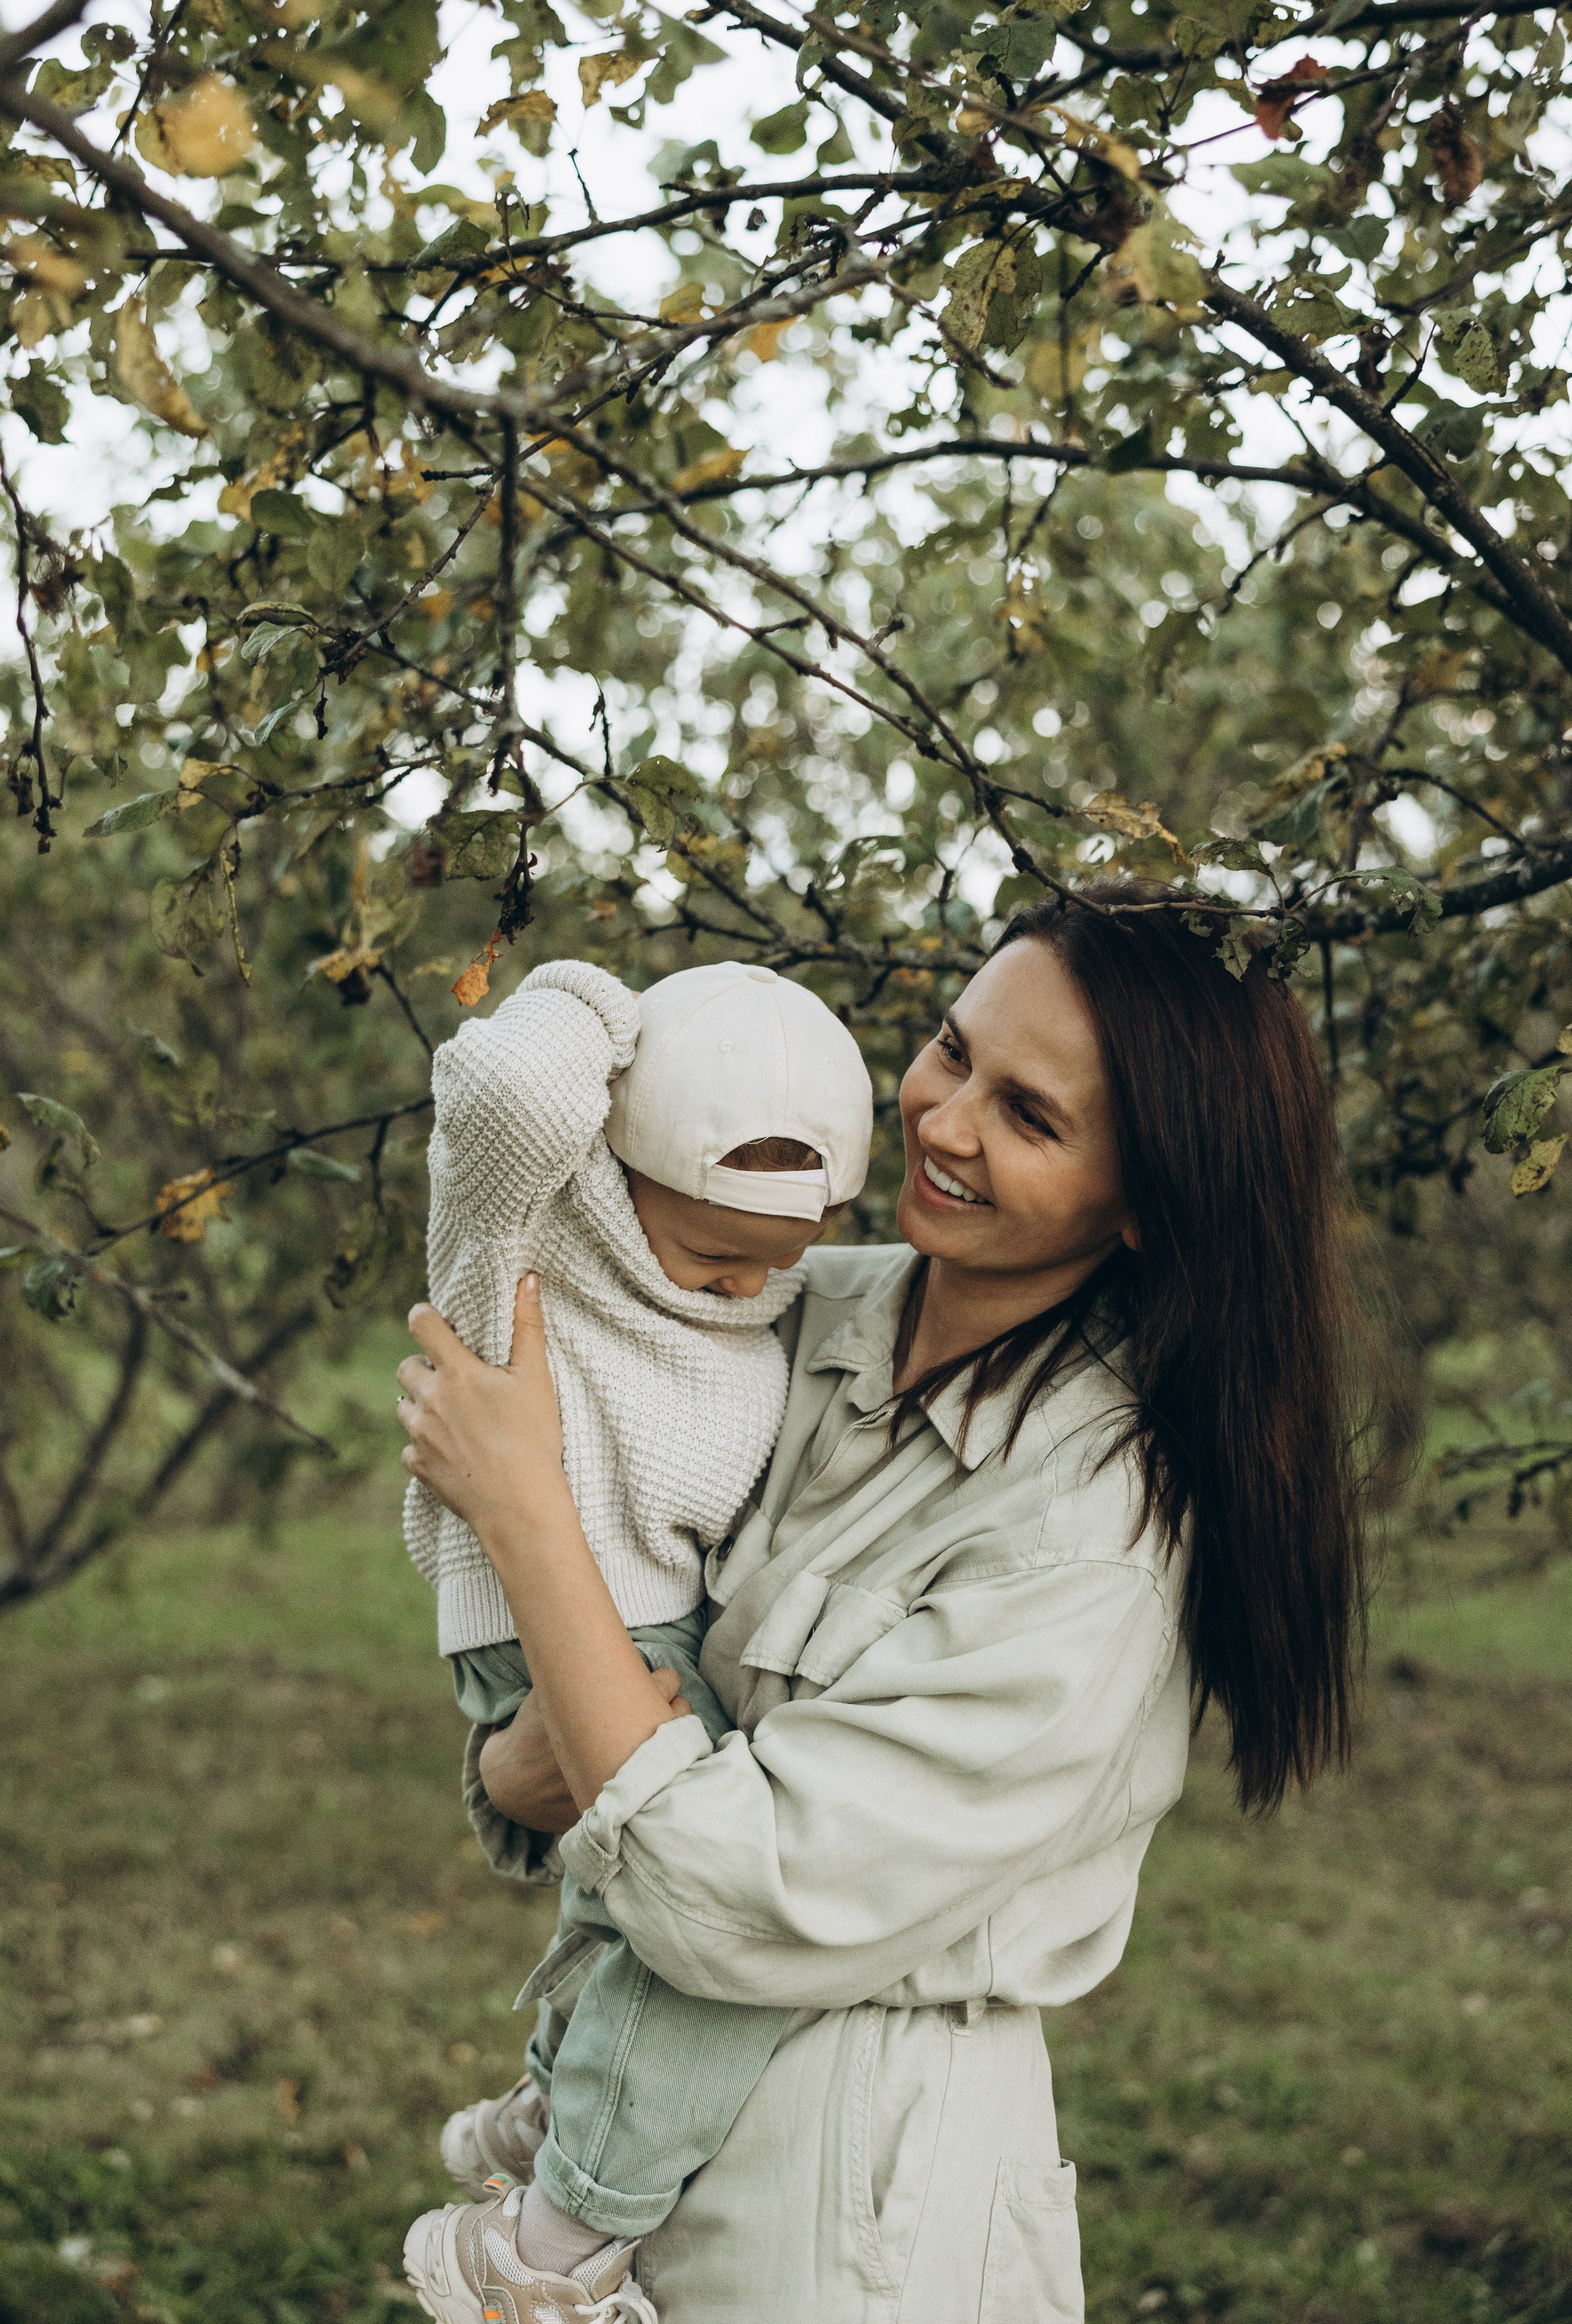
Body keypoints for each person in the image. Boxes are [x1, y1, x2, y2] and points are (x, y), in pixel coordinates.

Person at [397, 888, 1372, 2324]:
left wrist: (521, 1508)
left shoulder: (1085, 1533)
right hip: (616, 2128)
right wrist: (513, 1764)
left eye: (1028, 1117)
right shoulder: (782, 1306)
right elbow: (587, 1711)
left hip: (847, 2216)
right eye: (947, 1048)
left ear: (1149, 1200)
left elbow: (735, 1895)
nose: (943, 1119)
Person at [400, 955, 874, 2320]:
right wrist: (609, 1014)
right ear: (613, 1166)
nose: (742, 1293)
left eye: (771, 1268)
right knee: (733, 1919)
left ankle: (558, 2103)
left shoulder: (762, 1273)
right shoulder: (519, 1238)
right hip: (570, 1613)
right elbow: (492, 1082)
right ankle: (545, 2246)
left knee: (658, 1908)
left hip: (640, 1621)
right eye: (715, 1259)